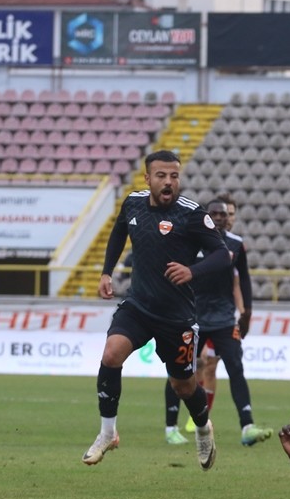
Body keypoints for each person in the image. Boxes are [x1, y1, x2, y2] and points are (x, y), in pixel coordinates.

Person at [83, 149, 231, 469]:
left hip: (176, 317)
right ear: (147, 178)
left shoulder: (191, 214)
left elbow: (222, 255)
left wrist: (192, 271)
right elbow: (119, 231)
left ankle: (204, 427)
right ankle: (107, 432)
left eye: (174, 176)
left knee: (183, 384)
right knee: (111, 355)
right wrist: (107, 271)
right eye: (161, 176)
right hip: (138, 306)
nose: (168, 182)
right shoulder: (134, 202)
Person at [163, 196, 272, 448]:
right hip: (192, 317)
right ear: (206, 216)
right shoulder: (190, 240)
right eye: (216, 213)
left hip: (224, 318)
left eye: (225, 214)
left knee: (235, 367)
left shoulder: (236, 244)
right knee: (180, 370)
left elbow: (243, 279)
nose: (221, 217)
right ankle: (171, 427)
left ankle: (247, 426)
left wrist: (247, 313)